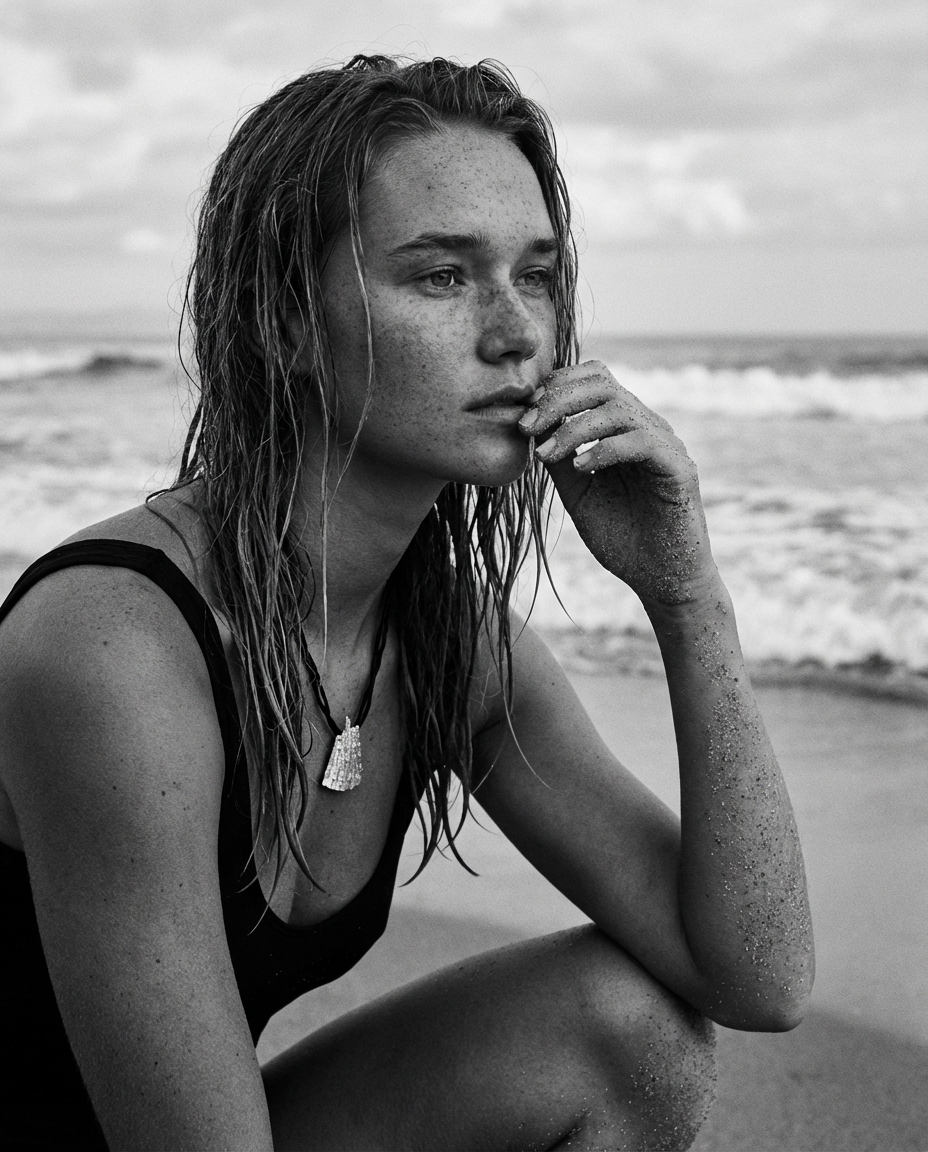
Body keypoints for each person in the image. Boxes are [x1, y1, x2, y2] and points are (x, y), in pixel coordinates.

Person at [0, 56, 813, 1151]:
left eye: (536, 275)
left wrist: (687, 595)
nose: (517, 332)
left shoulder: (445, 641)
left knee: (634, 1033)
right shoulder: (114, 648)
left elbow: (756, 976)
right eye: (441, 276)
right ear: (287, 319)